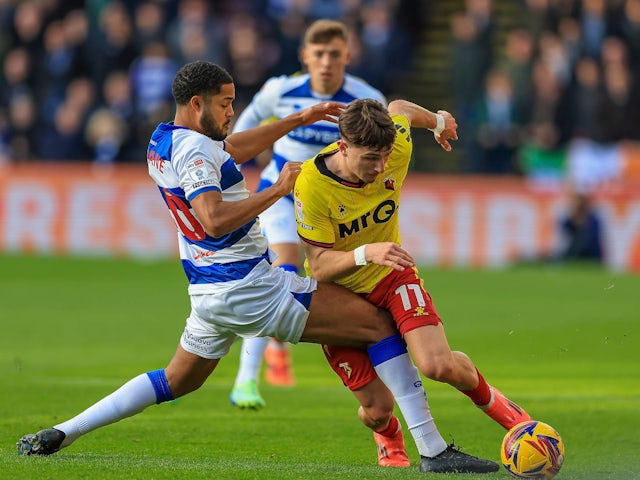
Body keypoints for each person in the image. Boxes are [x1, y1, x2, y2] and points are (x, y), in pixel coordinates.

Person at [16, 61, 498, 474]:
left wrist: (298, 119)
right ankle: (433, 450)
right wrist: (276, 189)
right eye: (225, 104)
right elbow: (211, 218)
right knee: (375, 322)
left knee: (175, 380)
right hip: (250, 287)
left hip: (206, 295)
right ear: (198, 104)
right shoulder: (194, 151)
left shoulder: (164, 141)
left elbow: (232, 150)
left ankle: (64, 431)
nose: (232, 112)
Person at [293, 98, 533, 472]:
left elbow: (399, 107)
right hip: (338, 292)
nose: (381, 167)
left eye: (386, 156)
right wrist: (365, 252)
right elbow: (320, 266)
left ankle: (517, 422)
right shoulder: (311, 185)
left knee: (437, 365)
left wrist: (438, 122)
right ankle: (387, 433)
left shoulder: (398, 144)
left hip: (392, 275)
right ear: (343, 147)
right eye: (371, 158)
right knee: (376, 410)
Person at [229, 19, 388, 406]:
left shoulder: (366, 100)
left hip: (333, 208)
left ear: (347, 56)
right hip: (282, 197)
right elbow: (237, 140)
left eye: (335, 54)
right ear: (305, 57)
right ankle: (245, 381)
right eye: (319, 54)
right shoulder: (279, 92)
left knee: (326, 281)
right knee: (282, 269)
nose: (327, 62)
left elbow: (383, 153)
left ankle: (276, 346)